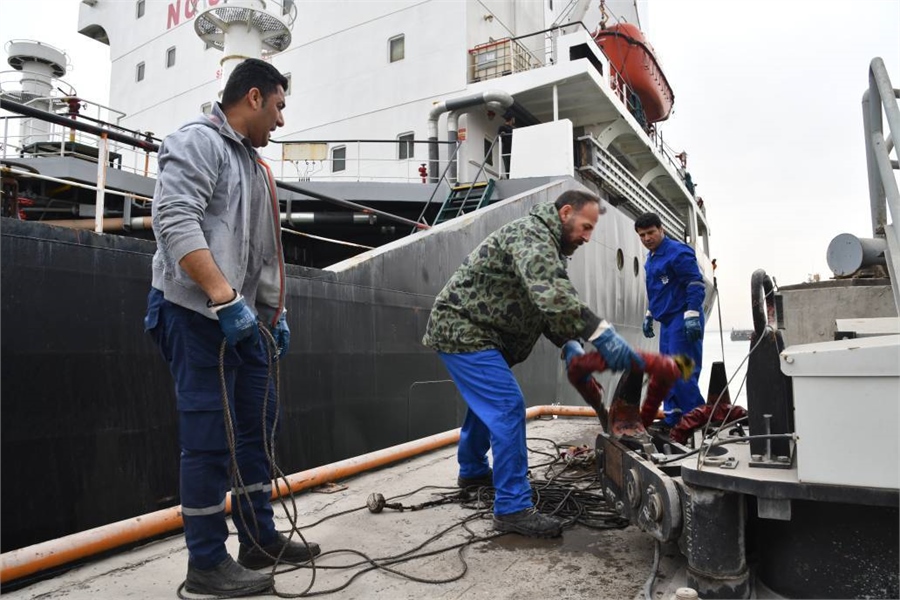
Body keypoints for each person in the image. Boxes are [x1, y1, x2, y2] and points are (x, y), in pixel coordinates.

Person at [143, 58, 320, 597]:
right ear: (252, 98)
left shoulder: (257, 169)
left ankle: (259, 538)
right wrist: (223, 297)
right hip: (195, 316)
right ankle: (206, 563)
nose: (281, 122)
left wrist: (275, 315)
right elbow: (174, 219)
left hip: (244, 325)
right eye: (280, 107)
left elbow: (266, 257)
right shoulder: (198, 142)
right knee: (207, 441)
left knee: (256, 431)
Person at [422, 190, 645, 538]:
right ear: (565, 213)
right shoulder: (531, 235)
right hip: (464, 330)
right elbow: (553, 294)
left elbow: (541, 303)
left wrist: (569, 341)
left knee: (489, 406)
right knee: (508, 407)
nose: (588, 237)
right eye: (586, 227)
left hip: (478, 332)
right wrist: (601, 334)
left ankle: (473, 471)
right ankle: (512, 508)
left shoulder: (546, 244)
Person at [634, 212, 706, 429]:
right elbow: (659, 290)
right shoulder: (652, 257)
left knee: (682, 372)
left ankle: (697, 420)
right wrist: (649, 314)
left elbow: (695, 283)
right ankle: (674, 418)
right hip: (667, 322)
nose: (647, 238)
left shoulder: (678, 253)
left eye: (650, 233)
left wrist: (692, 313)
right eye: (642, 235)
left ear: (661, 229)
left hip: (682, 319)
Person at [498, 111, 515, 178]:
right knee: (508, 167)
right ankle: (509, 178)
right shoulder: (502, 127)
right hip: (506, 150)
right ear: (511, 119)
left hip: (512, 150)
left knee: (512, 166)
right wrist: (502, 134)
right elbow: (499, 136)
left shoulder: (513, 129)